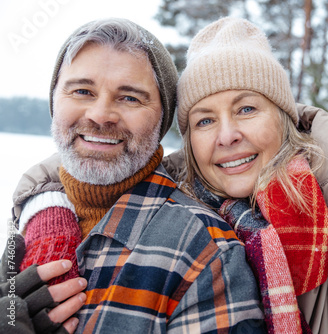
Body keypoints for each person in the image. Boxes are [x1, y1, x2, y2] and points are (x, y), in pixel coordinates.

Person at [6, 17, 328, 334]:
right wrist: (44, 206)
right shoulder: (162, 187)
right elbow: (89, 165)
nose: (226, 136)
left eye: (246, 108)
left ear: (283, 118)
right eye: (203, 120)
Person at [0, 18, 265, 334]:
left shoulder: (204, 253)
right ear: (55, 101)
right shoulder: (32, 218)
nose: (100, 115)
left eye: (129, 97)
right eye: (82, 91)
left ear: (162, 118)